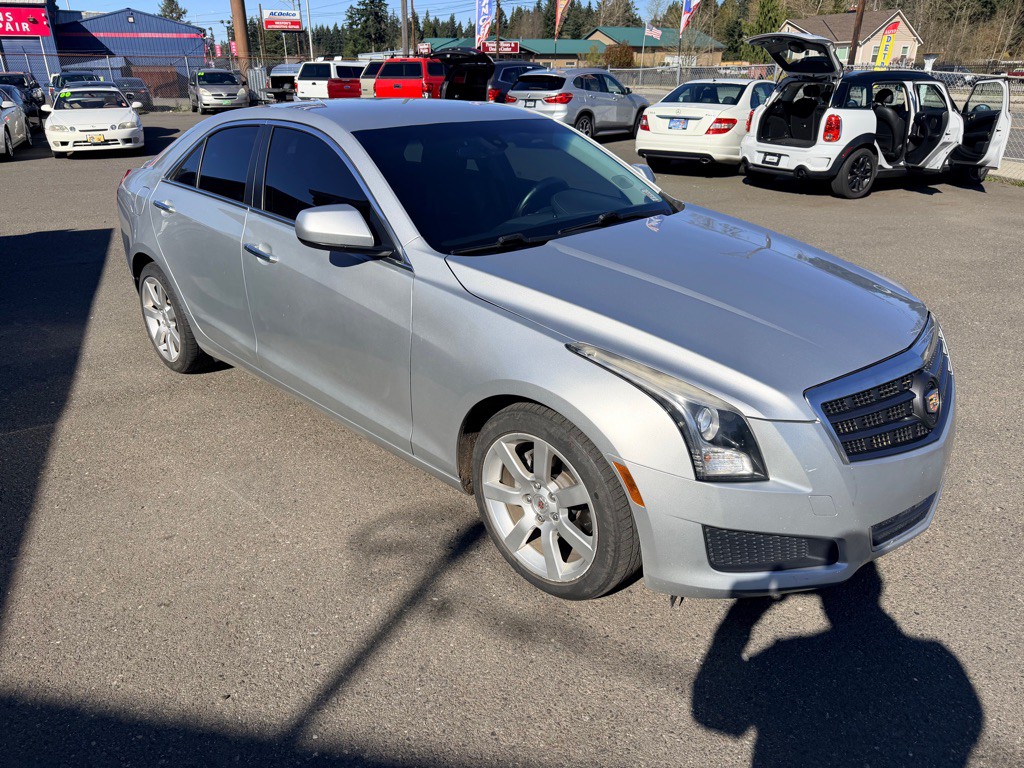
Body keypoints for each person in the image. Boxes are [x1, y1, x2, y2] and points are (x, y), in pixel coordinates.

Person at [692, 562, 982, 767]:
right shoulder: (934, 661)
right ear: (876, 590)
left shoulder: (791, 658)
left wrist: (748, 608)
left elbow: (714, 710)